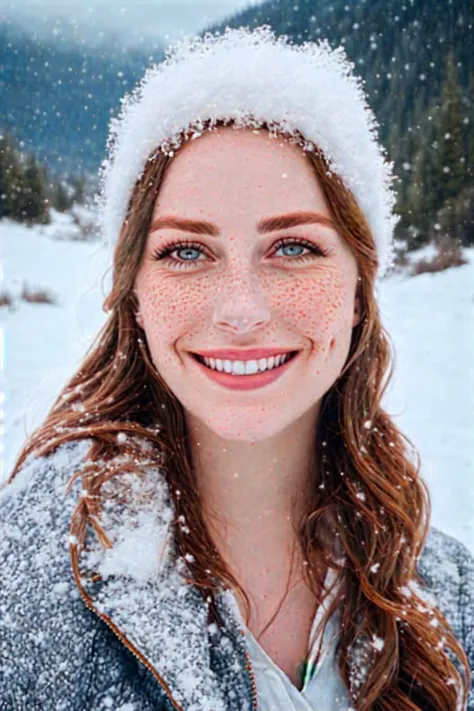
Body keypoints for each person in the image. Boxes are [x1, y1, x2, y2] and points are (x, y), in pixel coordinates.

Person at [1, 26, 473, 711]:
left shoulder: (450, 596)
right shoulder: (23, 588)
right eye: (187, 252)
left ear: (358, 290)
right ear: (134, 296)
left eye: (294, 246)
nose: (242, 310)